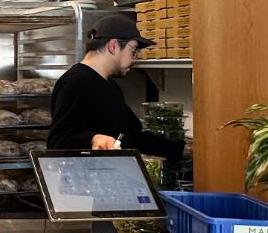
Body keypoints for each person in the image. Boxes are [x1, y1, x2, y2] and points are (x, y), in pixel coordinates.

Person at [48, 14, 184, 162]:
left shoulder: (110, 86)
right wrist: (93, 139)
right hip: (85, 182)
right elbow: (57, 141)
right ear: (113, 46)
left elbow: (134, 137)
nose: (134, 59)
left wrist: (183, 150)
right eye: (133, 51)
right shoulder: (76, 82)